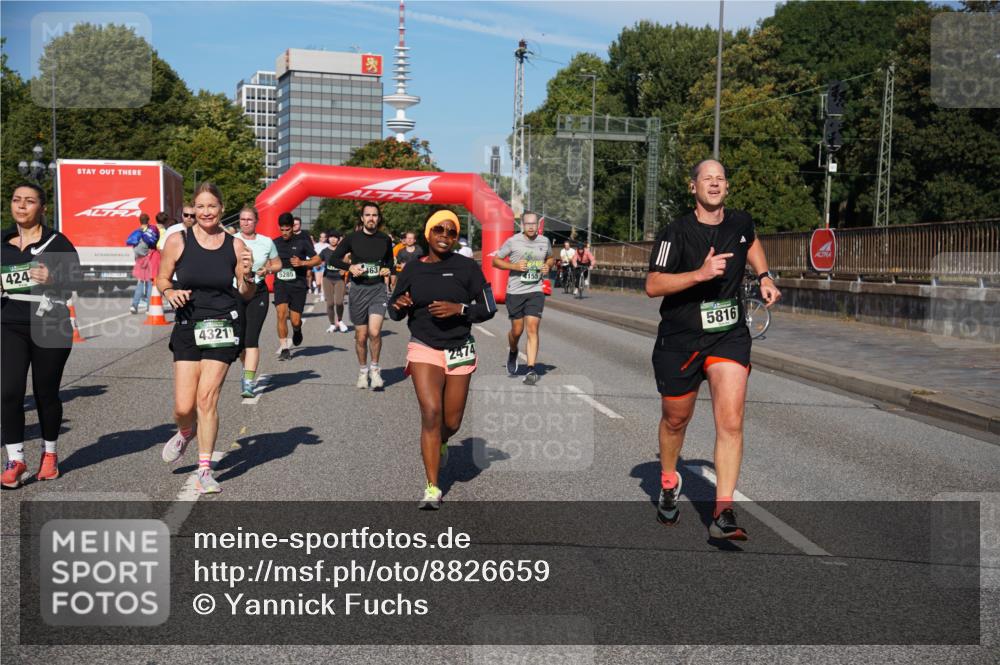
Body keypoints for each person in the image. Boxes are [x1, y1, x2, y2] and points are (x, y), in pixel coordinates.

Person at [645, 159, 780, 539]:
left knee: (731, 420)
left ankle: (723, 511)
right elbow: (653, 285)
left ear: (727, 187)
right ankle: (669, 480)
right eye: (708, 179)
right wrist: (700, 275)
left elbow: (750, 239)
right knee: (676, 419)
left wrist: (764, 275)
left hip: (728, 335)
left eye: (720, 178)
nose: (715, 184)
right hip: (681, 337)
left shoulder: (739, 222)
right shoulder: (676, 232)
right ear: (694, 188)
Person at [389, 210, 496, 509]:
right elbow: (394, 309)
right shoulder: (412, 269)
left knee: (452, 421)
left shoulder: (467, 268)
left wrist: (460, 309)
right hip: (424, 345)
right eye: (439, 229)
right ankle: (432, 487)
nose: (445, 236)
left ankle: (443, 440)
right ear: (428, 233)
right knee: (431, 413)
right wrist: (398, 304)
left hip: (459, 347)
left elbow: (488, 306)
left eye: (451, 232)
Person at [157, 182, 255, 494]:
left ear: (221, 209)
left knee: (206, 398)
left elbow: (245, 292)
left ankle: (204, 471)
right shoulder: (178, 240)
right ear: (193, 210)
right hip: (187, 323)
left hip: (223, 324)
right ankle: (186, 431)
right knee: (183, 407)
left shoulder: (235, 246)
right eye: (200, 206)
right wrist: (170, 291)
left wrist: (250, 276)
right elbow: (161, 277)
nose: (206, 212)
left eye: (211, 206)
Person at [1, 183, 82, 488]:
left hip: (50, 324)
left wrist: (54, 278)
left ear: (42, 208)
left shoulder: (57, 243)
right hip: (9, 323)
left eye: (29, 201)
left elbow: (78, 283)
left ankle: (49, 454)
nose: (21, 206)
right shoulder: (2, 240)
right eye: (16, 200)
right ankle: (15, 460)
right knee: (8, 393)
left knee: (45, 393)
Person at [327, 202, 395, 390]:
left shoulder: (384, 239)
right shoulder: (352, 238)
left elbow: (390, 263)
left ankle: (375, 369)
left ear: (378, 218)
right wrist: (349, 267)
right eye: (367, 215)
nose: (371, 218)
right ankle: (363, 371)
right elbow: (333, 259)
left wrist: (386, 270)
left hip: (378, 290)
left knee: (374, 332)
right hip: (358, 290)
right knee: (361, 335)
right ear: (362, 218)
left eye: (374, 215)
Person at [491, 211, 553, 386]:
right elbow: (495, 261)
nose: (531, 227)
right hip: (515, 292)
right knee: (517, 331)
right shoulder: (513, 241)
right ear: (522, 225)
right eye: (528, 224)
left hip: (536, 290)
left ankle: (531, 368)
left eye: (534, 224)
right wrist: (514, 265)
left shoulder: (544, 241)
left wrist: (548, 266)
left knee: (532, 328)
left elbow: (550, 258)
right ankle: (513, 350)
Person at [235, 206, 281, 397]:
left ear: (256, 221)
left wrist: (268, 270)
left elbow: (278, 264)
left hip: (258, 292)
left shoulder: (266, 242)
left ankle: (248, 381)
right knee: (238, 342)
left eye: (249, 219)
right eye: (242, 219)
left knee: (251, 338)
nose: (245, 222)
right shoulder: (231, 241)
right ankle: (246, 369)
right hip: (234, 292)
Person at [272, 212, 320, 360]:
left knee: (295, 320)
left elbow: (317, 259)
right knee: (281, 314)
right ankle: (285, 348)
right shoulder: (274, 243)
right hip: (281, 283)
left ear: (293, 227)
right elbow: (268, 259)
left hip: (298, 284)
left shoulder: (302, 242)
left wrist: (303, 263)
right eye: (282, 229)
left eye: (288, 229)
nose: (285, 232)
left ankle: (297, 329)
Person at [126, 213, 160, 314]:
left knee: (140, 283)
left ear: (140, 221)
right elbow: (155, 242)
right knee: (149, 283)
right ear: (148, 220)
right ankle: (149, 308)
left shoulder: (136, 232)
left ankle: (134, 305)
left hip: (139, 260)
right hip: (149, 258)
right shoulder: (151, 230)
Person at [319, 231, 349, 333]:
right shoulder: (324, 251)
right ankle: (332, 324)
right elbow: (318, 260)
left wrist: (344, 269)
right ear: (328, 238)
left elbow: (348, 260)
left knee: (339, 302)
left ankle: (339, 321)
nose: (333, 239)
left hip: (339, 279)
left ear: (338, 239)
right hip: (327, 278)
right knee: (330, 303)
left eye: (335, 237)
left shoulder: (342, 250)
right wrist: (315, 264)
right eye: (331, 237)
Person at [312, 231, 330, 298]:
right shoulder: (316, 246)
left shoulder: (328, 246)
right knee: (318, 282)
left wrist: (324, 263)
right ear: (319, 238)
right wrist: (317, 264)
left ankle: (322, 294)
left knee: (323, 280)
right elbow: (314, 256)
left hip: (324, 265)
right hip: (317, 264)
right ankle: (317, 286)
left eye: (324, 237)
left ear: (326, 238)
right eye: (321, 237)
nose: (323, 238)